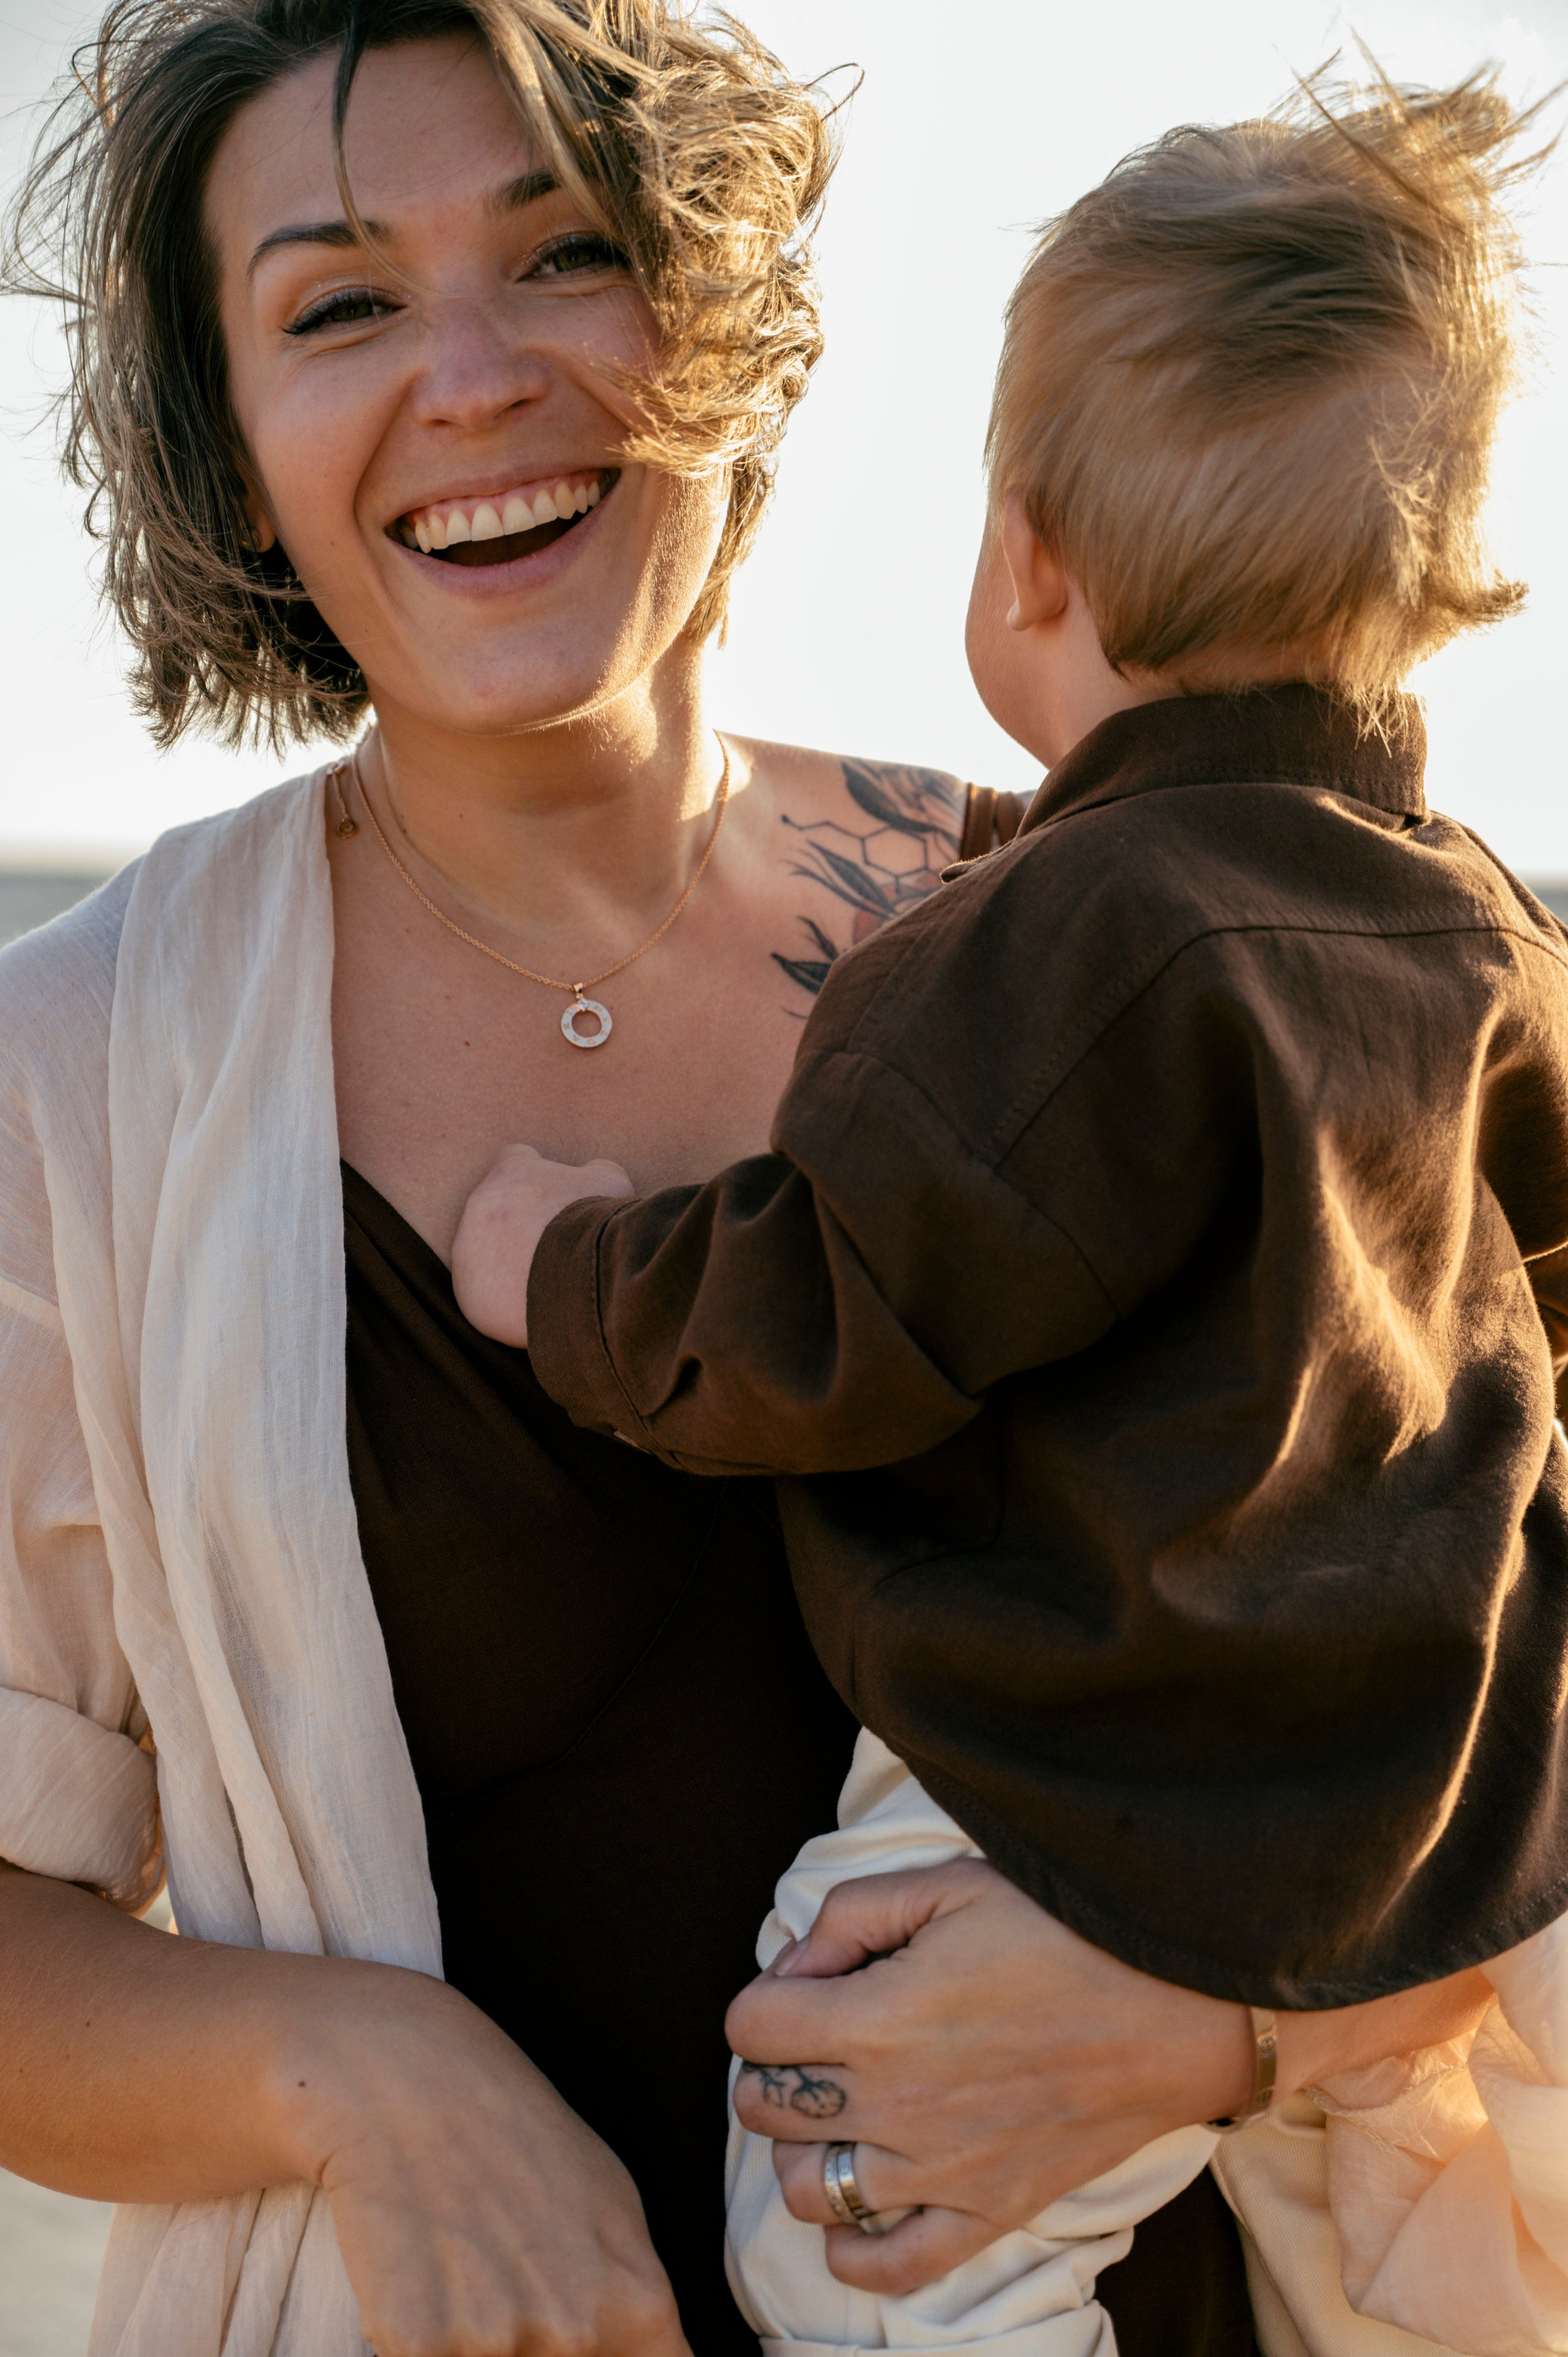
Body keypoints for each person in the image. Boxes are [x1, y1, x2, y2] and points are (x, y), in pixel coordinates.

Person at [449, 66, 1568, 2357]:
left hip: (1087, 1766)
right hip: (1430, 1802)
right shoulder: (1490, 938)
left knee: (855, 2203)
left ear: (1030, 557)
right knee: (1395, 2256)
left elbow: (828, 1305)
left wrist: (558, 1269)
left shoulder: (1038, 945)